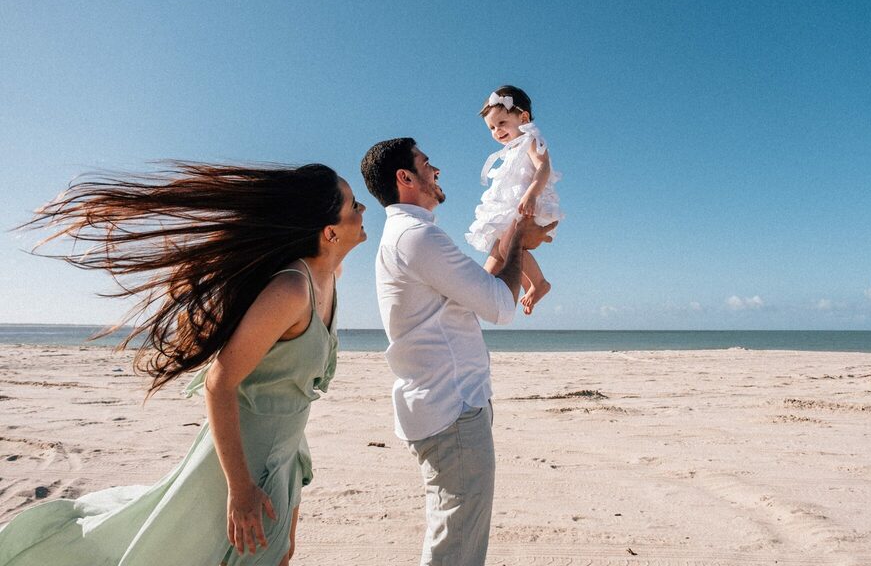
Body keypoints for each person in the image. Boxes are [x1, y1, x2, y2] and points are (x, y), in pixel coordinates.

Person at [0, 162, 366, 566]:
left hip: (286, 449)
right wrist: (240, 488)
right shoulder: (292, 289)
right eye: (353, 205)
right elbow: (219, 382)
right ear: (329, 232)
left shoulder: (330, 276)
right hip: (242, 459)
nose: (363, 210)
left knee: (280, 555)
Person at [360, 138, 556, 566]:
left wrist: (514, 238)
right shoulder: (418, 237)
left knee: (452, 535)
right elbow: (502, 306)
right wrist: (519, 238)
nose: (437, 171)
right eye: (427, 164)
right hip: (452, 411)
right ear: (404, 178)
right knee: (457, 548)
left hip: (442, 408)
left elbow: (484, 292)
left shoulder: (409, 236)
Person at [465, 85, 563, 315]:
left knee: (509, 246)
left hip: (528, 206)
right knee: (497, 253)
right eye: (491, 127)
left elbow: (543, 168)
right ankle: (519, 285)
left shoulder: (531, 140)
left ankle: (539, 283)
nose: (497, 131)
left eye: (502, 123)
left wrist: (531, 194)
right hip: (513, 208)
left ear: (524, 117)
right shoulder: (512, 150)